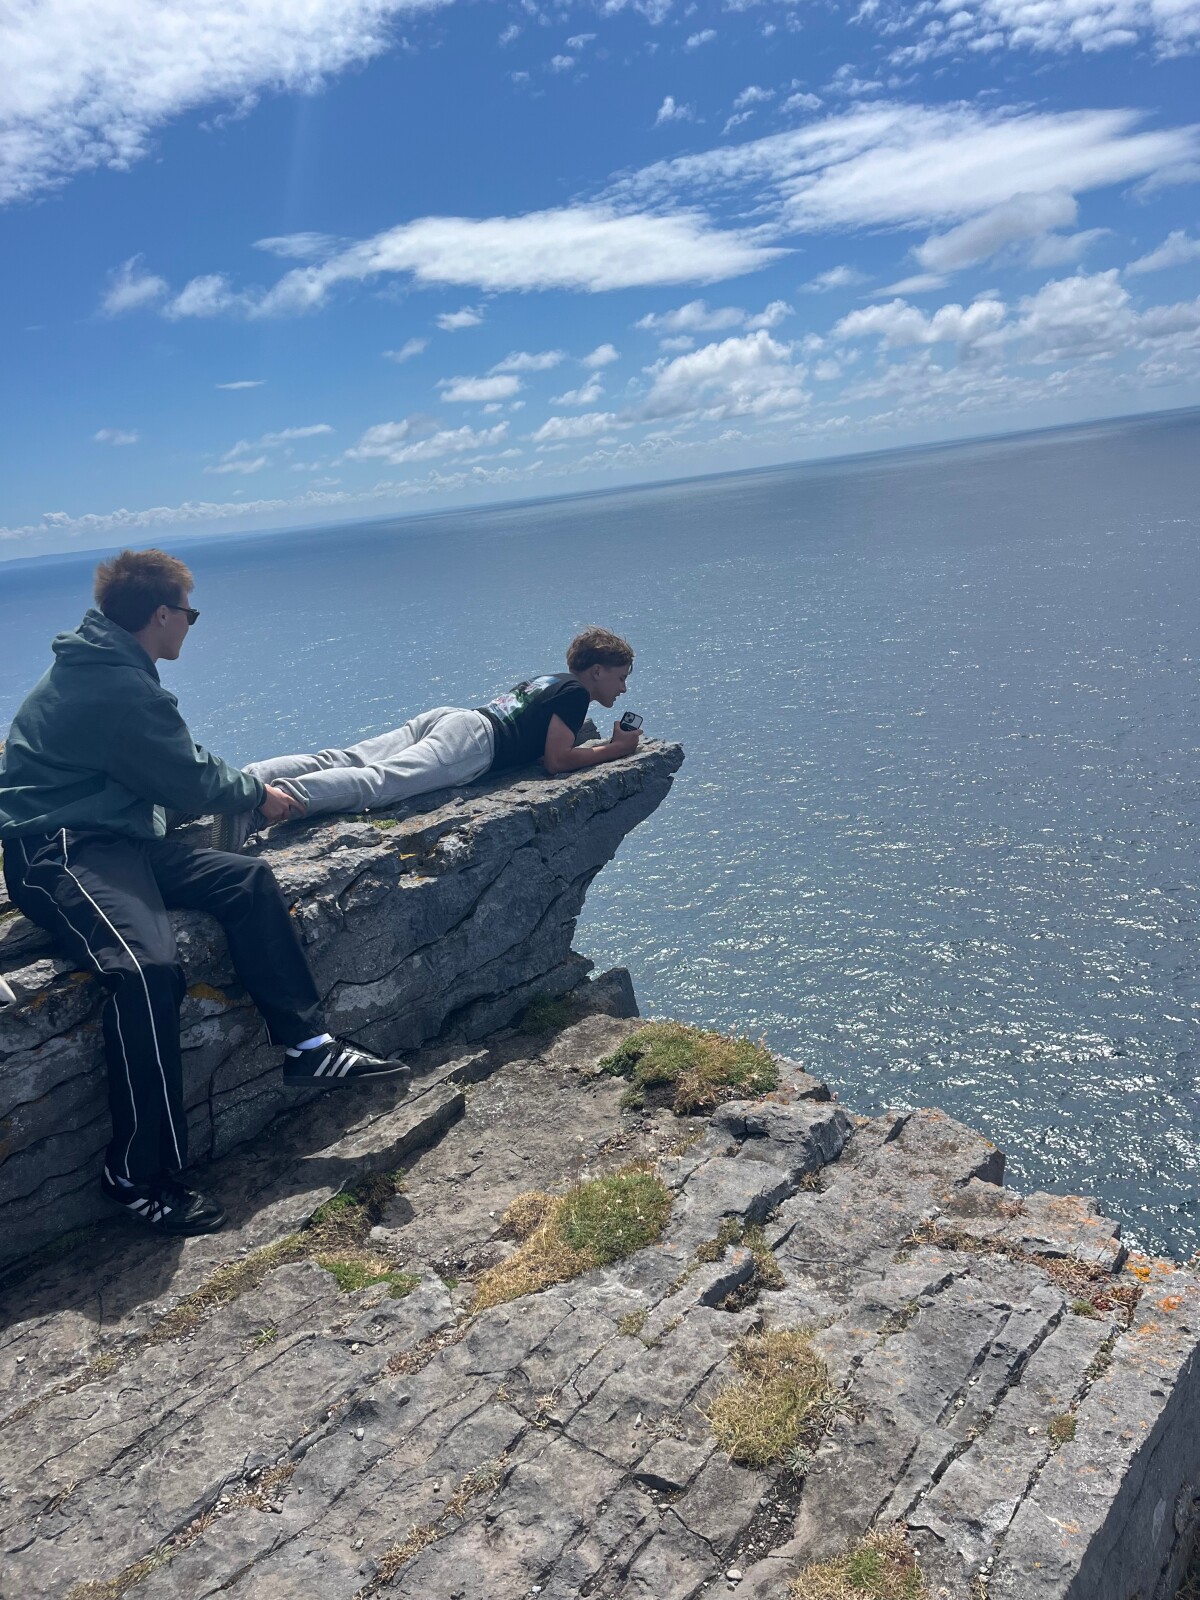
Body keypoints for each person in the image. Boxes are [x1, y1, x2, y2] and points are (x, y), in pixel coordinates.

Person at [0, 549, 411, 1238]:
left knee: (245, 879)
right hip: (60, 851)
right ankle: (136, 1175)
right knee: (145, 972)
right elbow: (187, 777)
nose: (191, 626)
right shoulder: (115, 683)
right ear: (162, 614)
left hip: (118, 839)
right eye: (190, 615)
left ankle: (306, 1044)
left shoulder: (108, 665)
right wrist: (258, 794)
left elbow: (168, 766)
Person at [214, 626, 642, 848]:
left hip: (455, 718)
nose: (622, 688)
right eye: (620, 677)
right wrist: (615, 750)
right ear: (597, 671)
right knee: (379, 783)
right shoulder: (576, 694)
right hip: (473, 744)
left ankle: (254, 776)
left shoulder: (552, 679)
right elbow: (557, 761)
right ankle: (266, 803)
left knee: (347, 758)